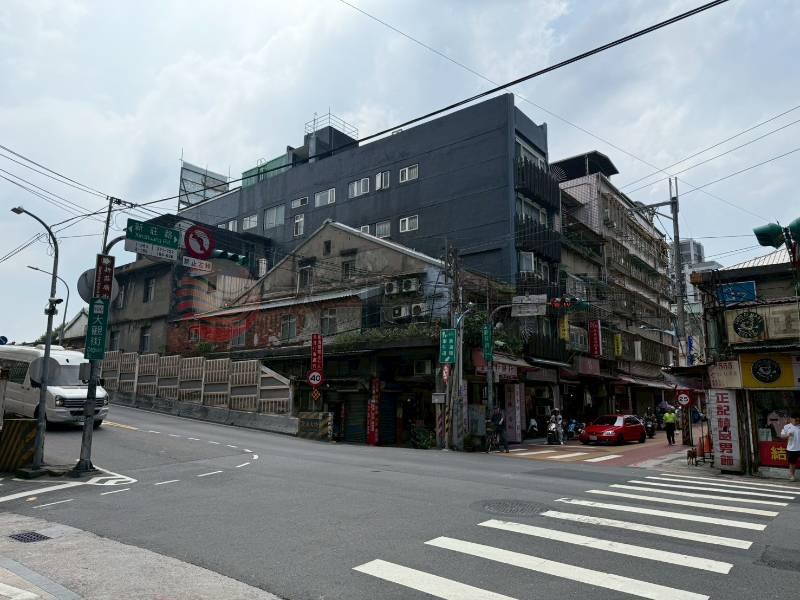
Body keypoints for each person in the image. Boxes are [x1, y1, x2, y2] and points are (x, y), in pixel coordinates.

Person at [779, 412, 800, 482]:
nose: (797, 422)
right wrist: (787, 435)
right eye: (796, 420)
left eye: (798, 420)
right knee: (792, 463)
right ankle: (792, 476)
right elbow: (782, 436)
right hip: (792, 449)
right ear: (791, 419)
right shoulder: (787, 427)